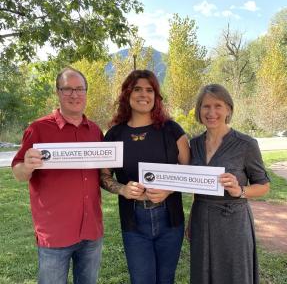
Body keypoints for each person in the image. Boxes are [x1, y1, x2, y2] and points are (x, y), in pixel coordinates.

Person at [12, 67, 103, 284]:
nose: (74, 94)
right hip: (55, 234)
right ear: (58, 92)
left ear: (86, 93)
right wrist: (27, 165)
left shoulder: (95, 131)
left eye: (79, 89)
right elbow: (18, 173)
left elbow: (104, 173)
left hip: (91, 231)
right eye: (68, 89)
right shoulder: (38, 129)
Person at [100, 69, 190, 284]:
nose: (144, 94)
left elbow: (189, 171)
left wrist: (168, 189)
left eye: (149, 90)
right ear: (127, 94)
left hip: (170, 219)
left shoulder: (172, 130)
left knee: (166, 279)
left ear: (156, 95)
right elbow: (104, 176)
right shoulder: (114, 134)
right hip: (134, 221)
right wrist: (122, 189)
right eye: (137, 89)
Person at [188, 84, 270, 284]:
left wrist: (240, 190)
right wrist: (191, 217)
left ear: (229, 109)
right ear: (199, 110)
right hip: (201, 218)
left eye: (218, 106)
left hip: (232, 222)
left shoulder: (246, 144)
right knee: (202, 274)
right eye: (206, 106)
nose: (211, 112)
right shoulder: (194, 144)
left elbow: (264, 185)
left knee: (234, 275)